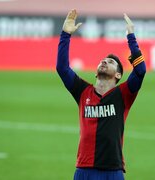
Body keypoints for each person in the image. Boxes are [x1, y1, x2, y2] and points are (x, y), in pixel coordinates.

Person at [56, 9, 146, 180]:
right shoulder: (83, 91)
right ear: (96, 73)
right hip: (84, 169)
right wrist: (65, 34)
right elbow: (62, 68)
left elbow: (140, 71)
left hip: (113, 171)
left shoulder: (123, 94)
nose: (104, 61)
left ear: (118, 75)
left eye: (111, 62)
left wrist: (131, 37)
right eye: (102, 61)